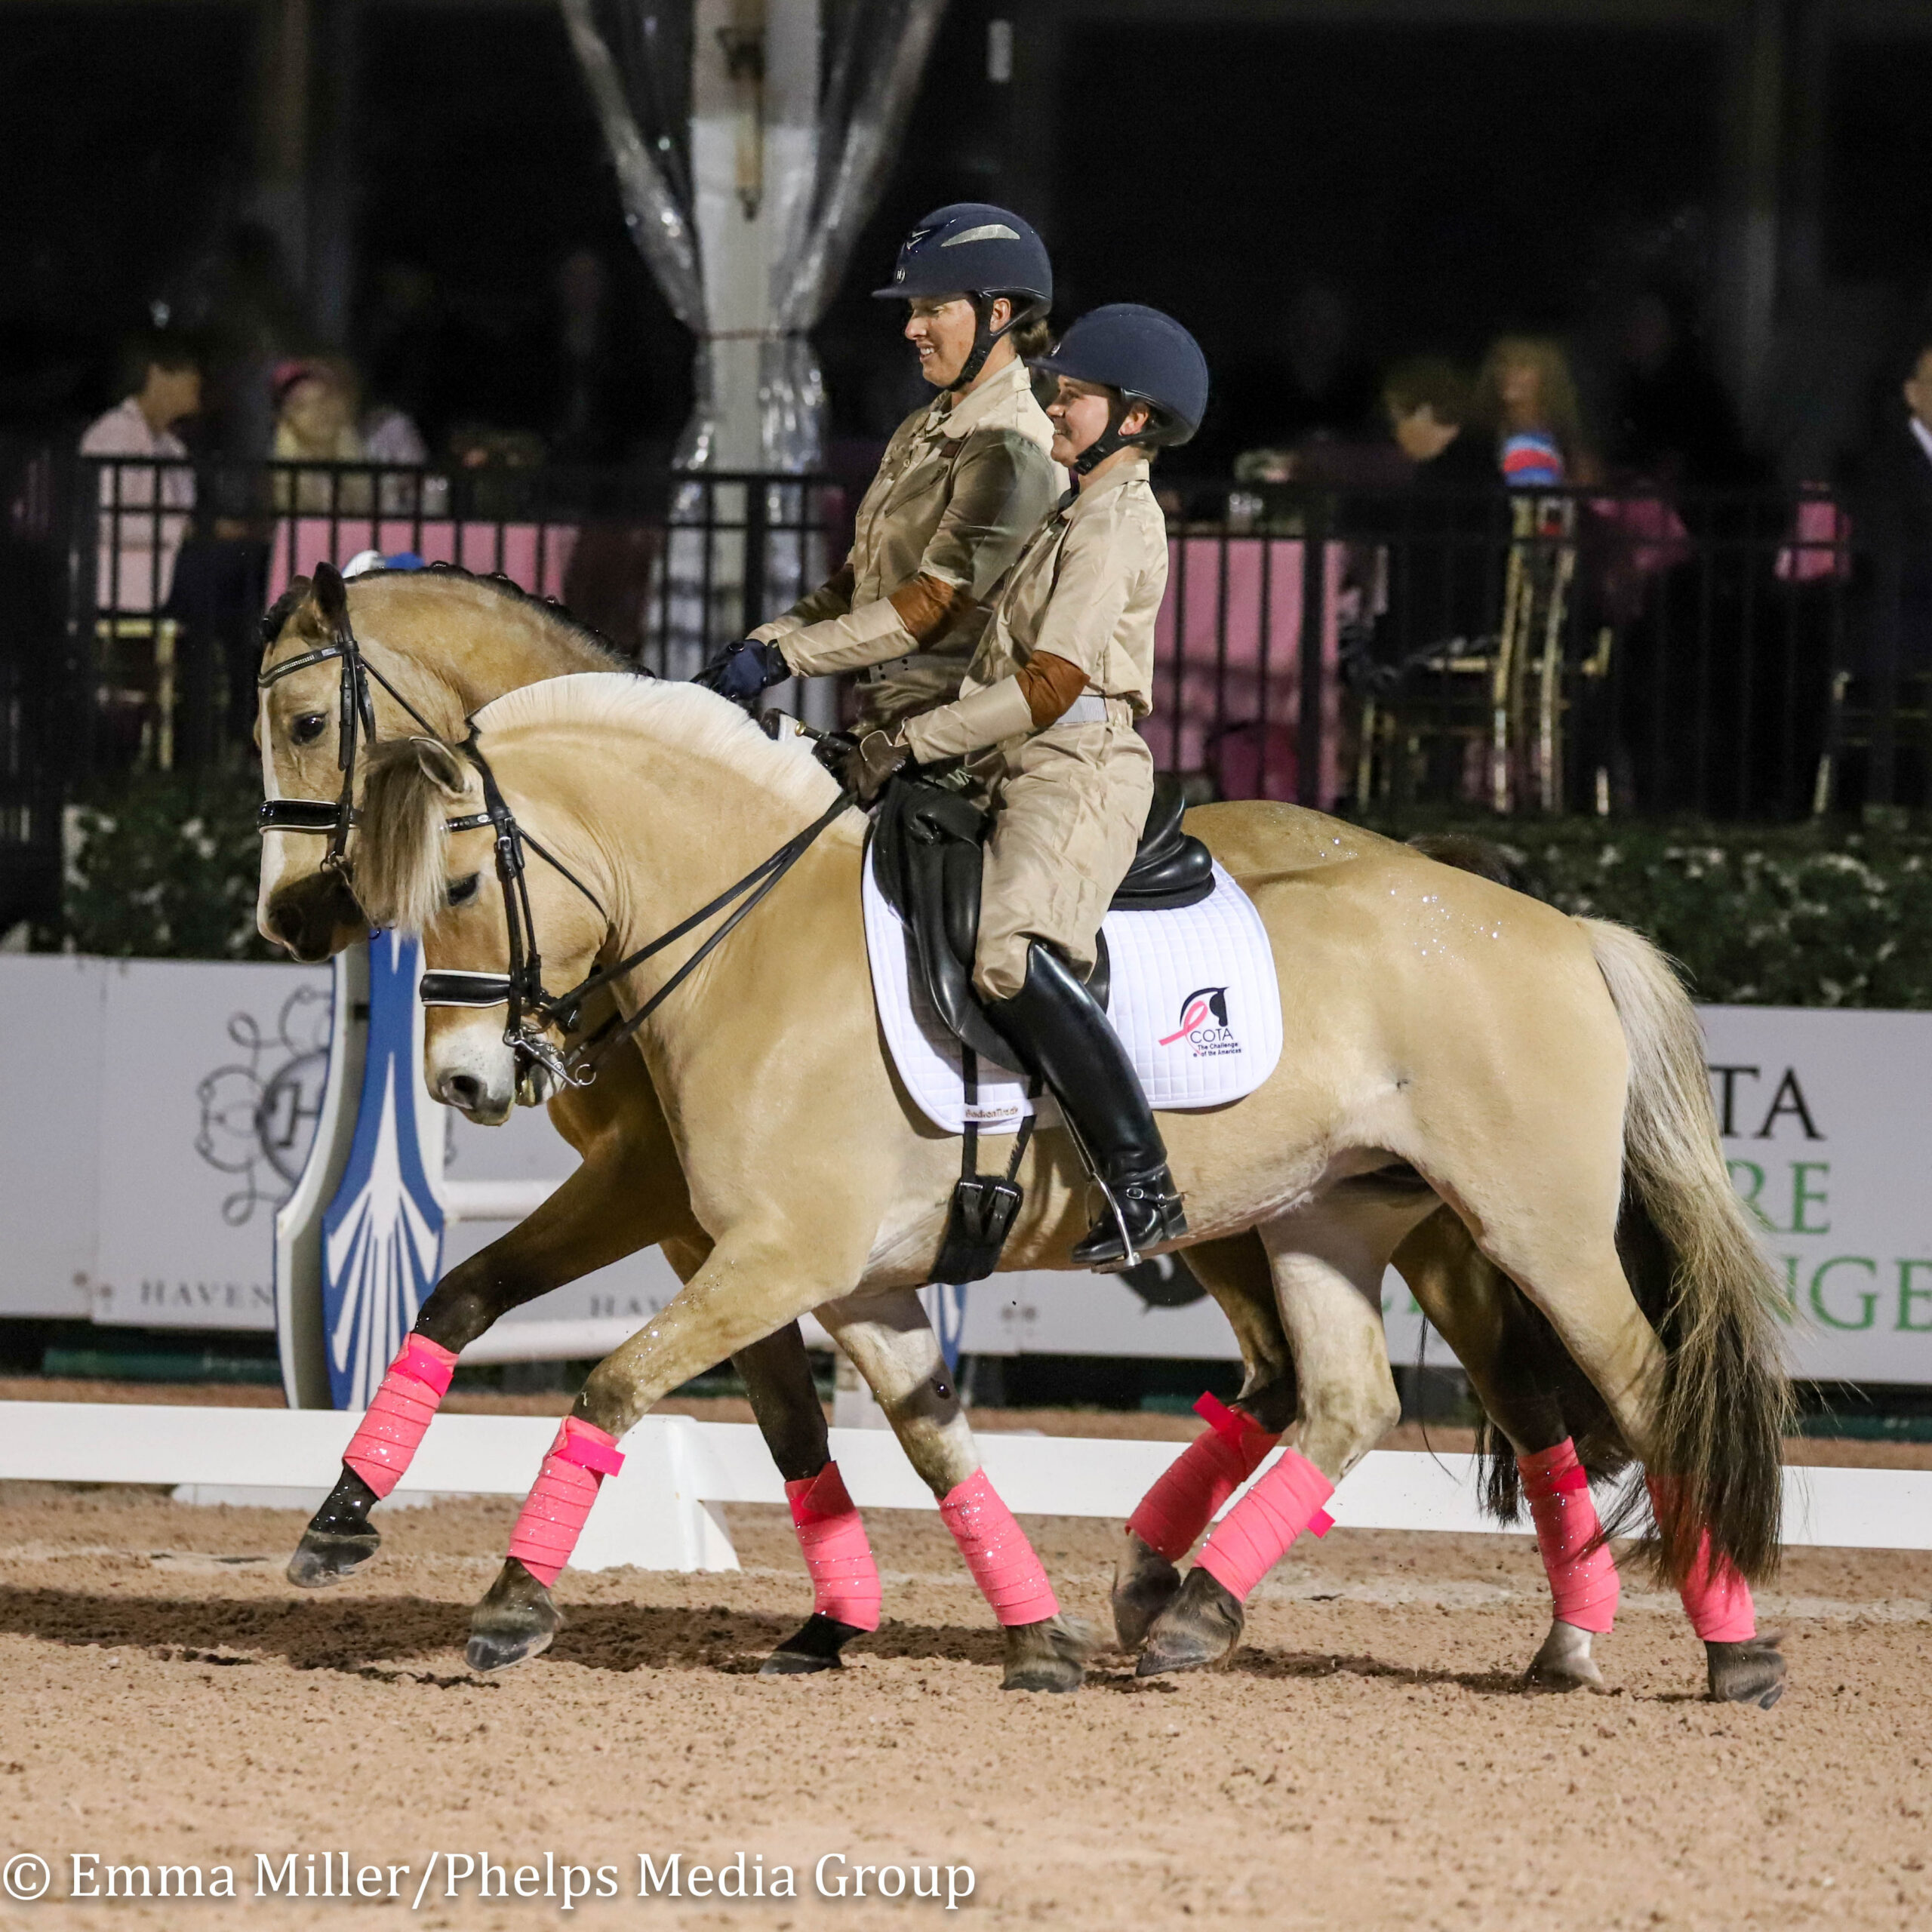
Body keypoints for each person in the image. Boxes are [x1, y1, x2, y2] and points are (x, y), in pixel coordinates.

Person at [844, 305, 1210, 1270]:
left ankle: (1143, 1183)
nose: (1052, 405)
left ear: (1135, 417)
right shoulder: (1072, 508)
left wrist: (911, 740)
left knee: (1007, 952)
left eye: (1074, 396)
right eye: (1055, 391)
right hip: (1006, 758)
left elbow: (1050, 684)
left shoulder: (1118, 524)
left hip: (1074, 764)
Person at [694, 204, 1061, 734]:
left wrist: (784, 658)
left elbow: (935, 604)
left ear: (998, 315)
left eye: (934, 309)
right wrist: (763, 641)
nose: (912, 328)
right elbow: (856, 584)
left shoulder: (1011, 448)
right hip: (888, 716)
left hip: (964, 737)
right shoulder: (922, 427)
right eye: (912, 310)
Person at [78, 333, 202, 613]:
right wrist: (179, 531)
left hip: (165, 575)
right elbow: (102, 518)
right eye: (188, 370)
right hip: (124, 584)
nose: (198, 379)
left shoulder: (172, 448)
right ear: (156, 374)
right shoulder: (115, 433)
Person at [1472, 335, 1592, 488]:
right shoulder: (1481, 434)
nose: (1509, 373)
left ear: (1547, 375)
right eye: (1503, 363)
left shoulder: (1565, 440)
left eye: (1523, 365)